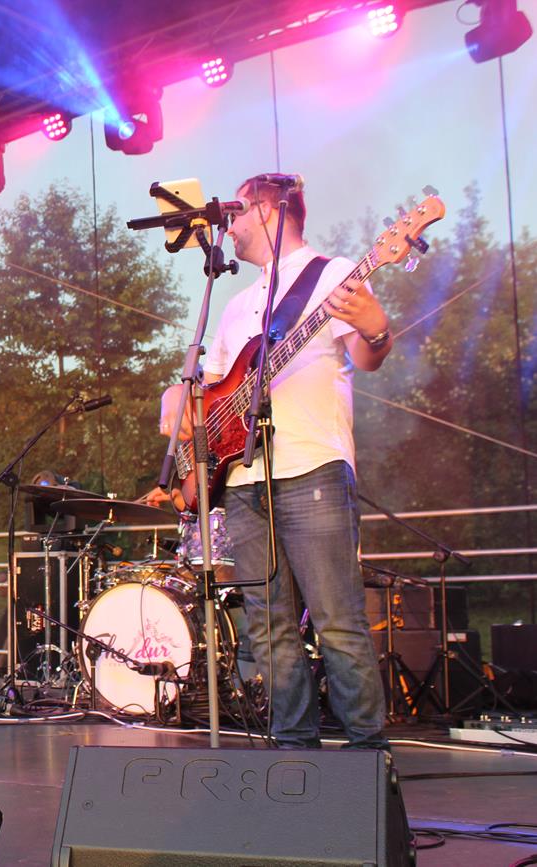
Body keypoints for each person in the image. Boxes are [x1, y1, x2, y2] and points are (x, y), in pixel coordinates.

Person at [164, 173, 394, 749]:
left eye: (238, 212)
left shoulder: (332, 274)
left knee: (338, 622)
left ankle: (370, 760)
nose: (230, 225)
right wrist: (177, 396)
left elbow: (367, 354)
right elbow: (214, 392)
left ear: (268, 209)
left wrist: (377, 330)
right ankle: (293, 754)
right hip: (243, 480)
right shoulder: (237, 303)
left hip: (312, 468)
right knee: (268, 629)